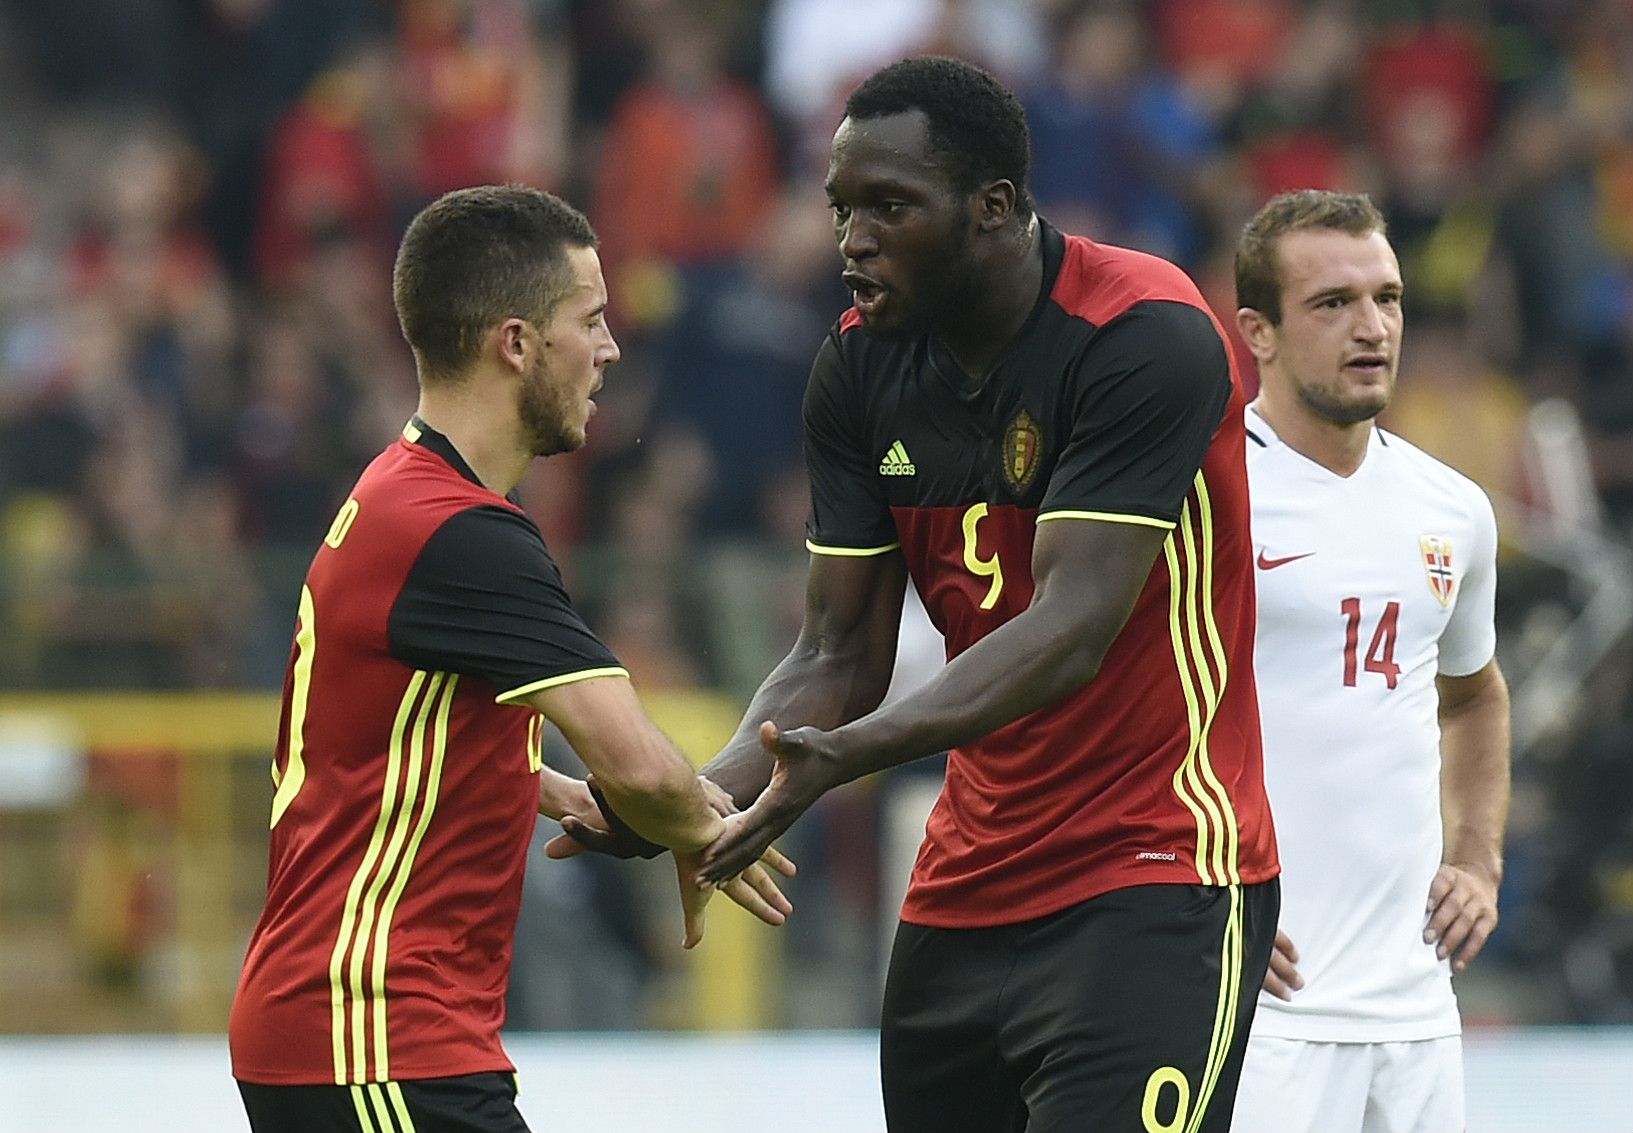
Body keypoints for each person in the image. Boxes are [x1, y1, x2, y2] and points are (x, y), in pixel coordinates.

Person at [634, 55, 1281, 1132]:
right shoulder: (855, 369)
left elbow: (1070, 625)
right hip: (965, 889)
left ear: (993, 209)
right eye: (841, 206)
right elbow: (832, 655)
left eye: (889, 206)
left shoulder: (1141, 333)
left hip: (1154, 868)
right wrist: (689, 797)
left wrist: (851, 754)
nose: (851, 237)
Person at [227, 185, 793, 1133]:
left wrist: (539, 782)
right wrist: (708, 827)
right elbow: (642, 763)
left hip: (353, 1033)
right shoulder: (463, 533)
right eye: (592, 319)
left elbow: (373, 722)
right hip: (376, 1036)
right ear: (517, 342)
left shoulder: (399, 493)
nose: (611, 348)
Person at [1227, 189, 1511, 1132]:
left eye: (1385, 298)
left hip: (1418, 1013)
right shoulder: (1202, 499)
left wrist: (1476, 858)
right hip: (1255, 1009)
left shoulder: (1452, 509)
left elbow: (1471, 698)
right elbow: (1106, 709)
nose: (1371, 327)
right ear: (1256, 333)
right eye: (1331, 303)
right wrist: (1181, 885)